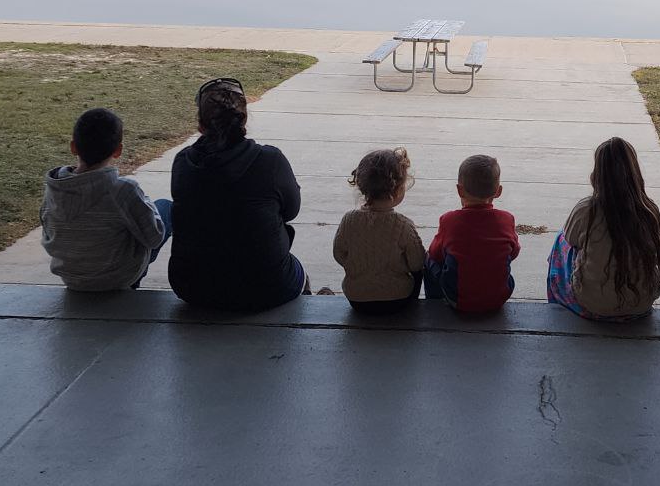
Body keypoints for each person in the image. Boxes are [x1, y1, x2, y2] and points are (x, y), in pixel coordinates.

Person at [168, 78, 308, 311]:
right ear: (243, 119)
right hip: (267, 287)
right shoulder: (270, 160)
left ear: (200, 125)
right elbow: (291, 210)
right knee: (298, 273)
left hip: (193, 287)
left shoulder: (183, 161)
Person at [41, 107, 170, 291]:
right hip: (118, 279)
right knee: (165, 208)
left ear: (73, 147)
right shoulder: (123, 190)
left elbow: (48, 232)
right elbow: (154, 238)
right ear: (118, 150)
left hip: (72, 280)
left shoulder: (55, 188)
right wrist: (146, 203)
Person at [547, 137, 660, 321]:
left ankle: (556, 306)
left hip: (594, 305)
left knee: (560, 241)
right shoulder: (649, 209)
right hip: (641, 304)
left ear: (597, 174)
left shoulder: (587, 209)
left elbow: (570, 240)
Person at [333, 148, 425, 314]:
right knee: (420, 272)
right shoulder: (403, 225)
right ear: (398, 191)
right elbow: (417, 263)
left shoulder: (349, 220)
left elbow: (339, 254)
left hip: (357, 299)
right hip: (398, 299)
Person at [424, 154, 520, 313]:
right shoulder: (507, 219)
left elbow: (435, 254)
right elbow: (514, 252)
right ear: (498, 191)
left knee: (427, 260)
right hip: (498, 299)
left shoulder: (449, 220)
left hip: (458, 299)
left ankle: (434, 305)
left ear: (459, 190)